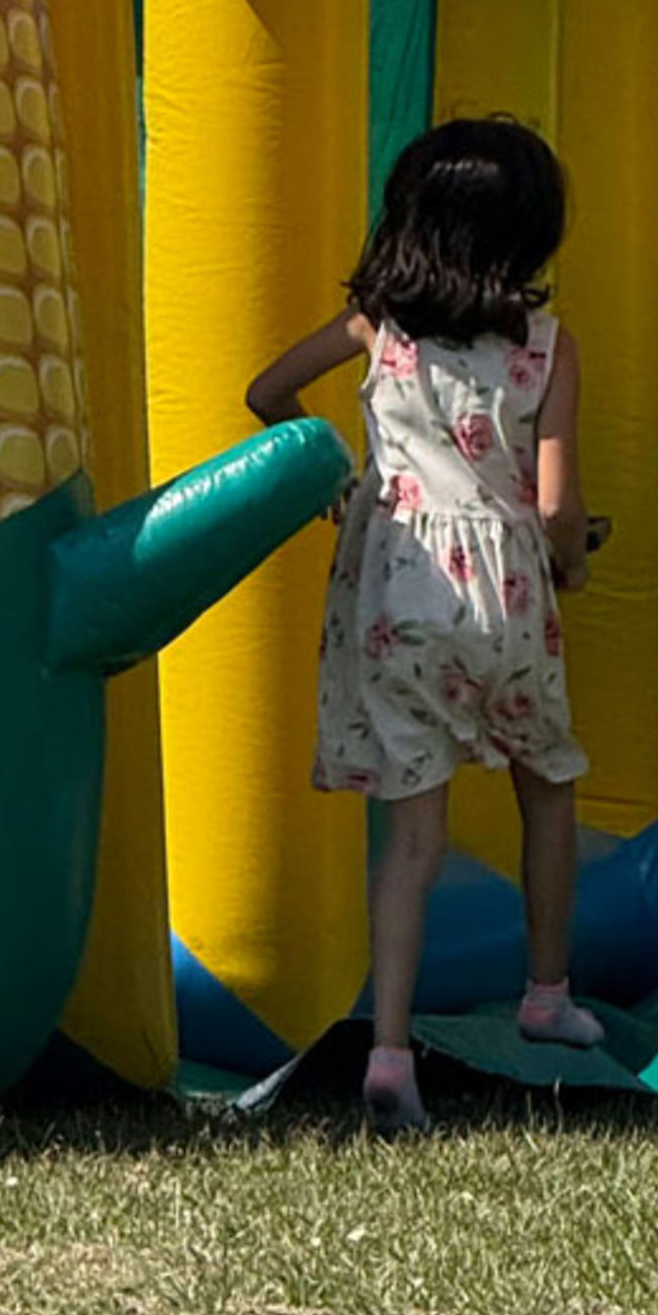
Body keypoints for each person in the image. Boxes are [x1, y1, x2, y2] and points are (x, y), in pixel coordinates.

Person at [248, 115, 599, 1135]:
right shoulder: (545, 346)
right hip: (506, 595)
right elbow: (553, 504)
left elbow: (266, 390)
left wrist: (334, 478)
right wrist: (570, 561)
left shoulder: (376, 326)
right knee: (549, 783)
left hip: (397, 589)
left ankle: (391, 1048)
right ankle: (546, 989)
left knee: (412, 834)